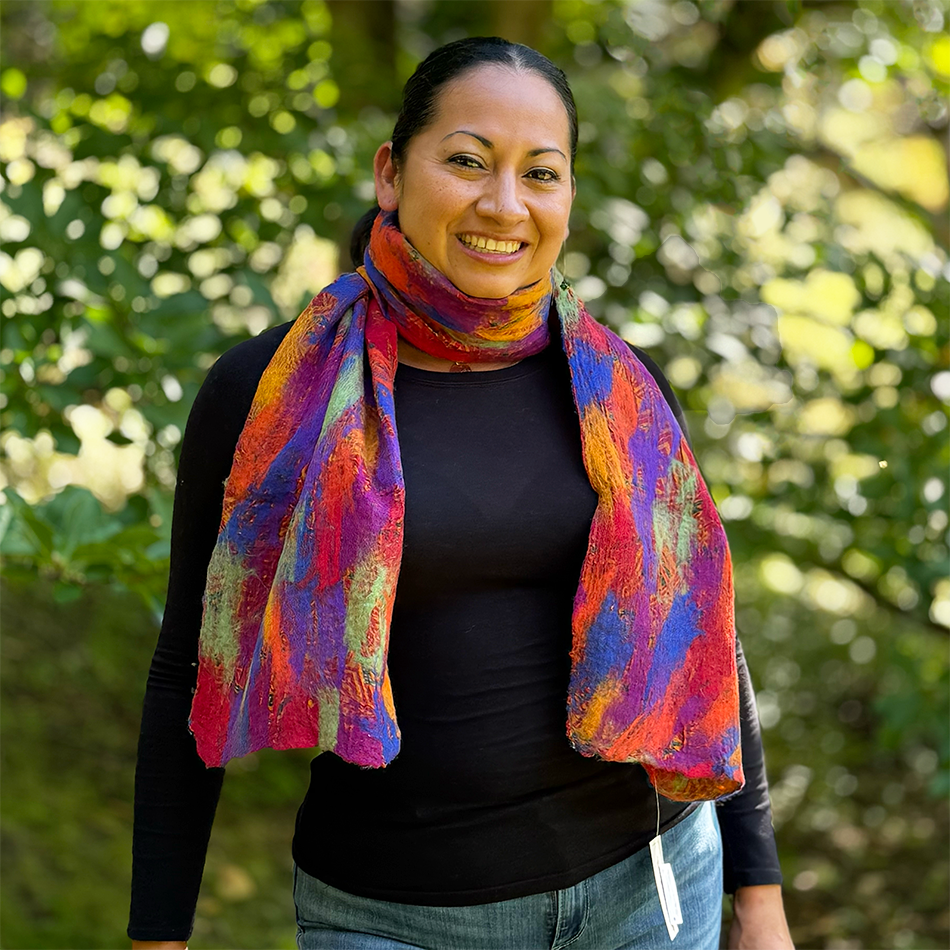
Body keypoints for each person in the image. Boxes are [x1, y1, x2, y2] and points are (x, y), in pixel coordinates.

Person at [129, 37, 795, 950]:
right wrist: (157, 932)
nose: (504, 204)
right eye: (468, 162)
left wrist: (760, 900)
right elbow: (185, 672)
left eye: (542, 172)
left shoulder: (620, 390)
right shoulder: (269, 395)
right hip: (389, 915)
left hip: (648, 894)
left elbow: (706, 638)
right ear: (392, 174)